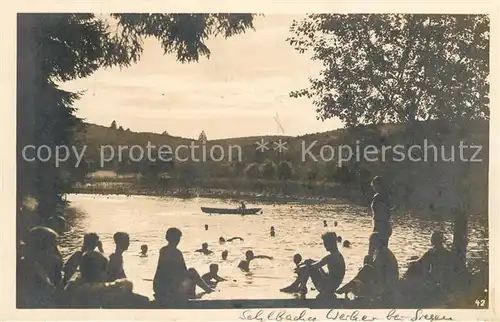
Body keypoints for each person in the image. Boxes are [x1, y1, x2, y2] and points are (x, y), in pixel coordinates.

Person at [64, 251, 149, 308]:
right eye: (105, 271)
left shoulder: (73, 284)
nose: (107, 274)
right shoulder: (83, 288)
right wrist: (119, 284)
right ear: (99, 272)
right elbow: (91, 288)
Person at [153, 228, 214, 306]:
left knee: (190, 274)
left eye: (178, 238)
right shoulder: (174, 252)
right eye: (176, 238)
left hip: (161, 286)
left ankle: (196, 293)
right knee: (192, 272)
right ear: (169, 238)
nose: (178, 240)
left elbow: (180, 271)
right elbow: (177, 271)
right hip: (166, 287)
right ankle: (206, 291)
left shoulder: (164, 250)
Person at [336, 232, 398, 301]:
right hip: (386, 281)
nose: (370, 245)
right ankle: (350, 286)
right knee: (366, 267)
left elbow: (376, 271)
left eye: (371, 243)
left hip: (387, 286)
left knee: (366, 268)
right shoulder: (382, 251)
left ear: (377, 242)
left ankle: (349, 286)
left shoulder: (382, 253)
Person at [17, 226, 62, 307]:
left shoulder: (27, 265)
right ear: (42, 251)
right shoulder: (35, 274)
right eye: (54, 248)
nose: (58, 254)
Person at [293, 232, 346, 299]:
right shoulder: (338, 255)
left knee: (309, 267)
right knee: (310, 263)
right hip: (331, 286)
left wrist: (301, 268)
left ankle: (301, 288)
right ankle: (299, 287)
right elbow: (320, 265)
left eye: (325, 243)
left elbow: (314, 266)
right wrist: (310, 262)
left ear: (330, 243)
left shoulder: (331, 257)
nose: (324, 245)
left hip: (327, 289)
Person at [370, 176, 392, 247]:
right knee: (383, 249)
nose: (373, 188)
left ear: (378, 185)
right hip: (386, 226)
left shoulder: (378, 197)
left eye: (374, 186)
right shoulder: (387, 196)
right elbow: (387, 213)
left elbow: (379, 214)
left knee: (377, 250)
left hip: (380, 226)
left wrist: (375, 228)